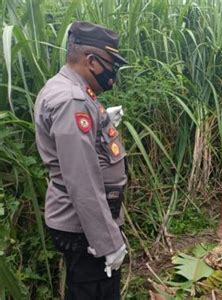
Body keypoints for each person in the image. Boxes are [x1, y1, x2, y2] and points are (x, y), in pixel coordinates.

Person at [35, 21, 129, 299]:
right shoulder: (72, 100)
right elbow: (82, 180)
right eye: (111, 63)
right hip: (84, 228)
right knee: (93, 292)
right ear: (92, 60)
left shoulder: (70, 90)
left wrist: (101, 120)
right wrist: (107, 242)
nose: (112, 71)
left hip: (86, 223)